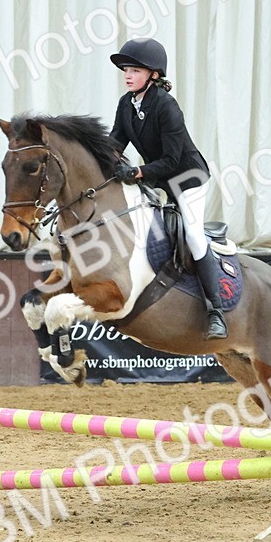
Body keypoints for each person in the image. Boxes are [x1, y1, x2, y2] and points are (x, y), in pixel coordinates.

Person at [107, 37, 227, 340]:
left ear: (154, 75)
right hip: (158, 179)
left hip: (187, 178)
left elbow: (173, 160)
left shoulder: (166, 106)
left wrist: (136, 171)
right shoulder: (126, 104)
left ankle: (217, 311)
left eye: (135, 69)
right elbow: (114, 144)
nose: (128, 74)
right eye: (126, 69)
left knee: (194, 234)